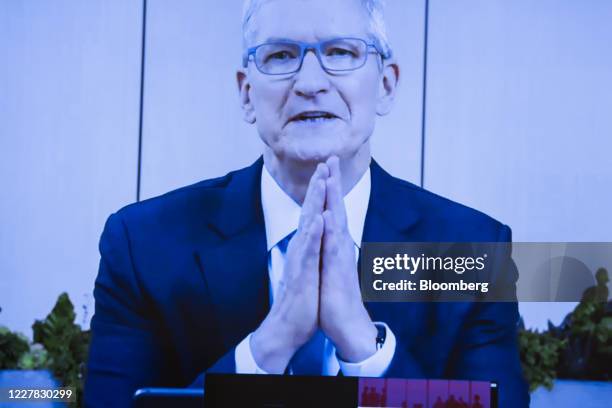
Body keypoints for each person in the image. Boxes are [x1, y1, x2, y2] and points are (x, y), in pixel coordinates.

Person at [84, 0, 529, 406]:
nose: (311, 83)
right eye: (280, 55)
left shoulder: (471, 251)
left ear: (387, 85)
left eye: (341, 53)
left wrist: (362, 343)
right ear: (245, 93)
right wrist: (270, 344)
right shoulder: (143, 245)